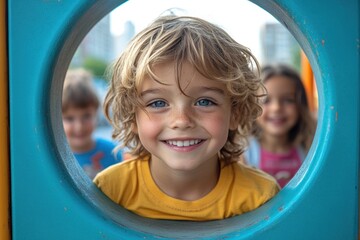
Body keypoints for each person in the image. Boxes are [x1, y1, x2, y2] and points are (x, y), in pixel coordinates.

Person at [94, 15, 279, 221]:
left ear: (234, 112)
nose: (181, 120)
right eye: (158, 103)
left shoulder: (259, 197)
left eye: (204, 101)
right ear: (132, 118)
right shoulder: (111, 191)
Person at [243, 64, 317, 188]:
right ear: (252, 108)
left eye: (288, 100)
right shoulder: (245, 153)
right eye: (266, 101)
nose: (276, 108)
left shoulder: (309, 149)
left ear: (300, 106)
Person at [62, 68, 122, 179]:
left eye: (86, 116)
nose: (79, 127)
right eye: (69, 118)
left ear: (96, 114)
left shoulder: (114, 154)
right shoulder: (55, 160)